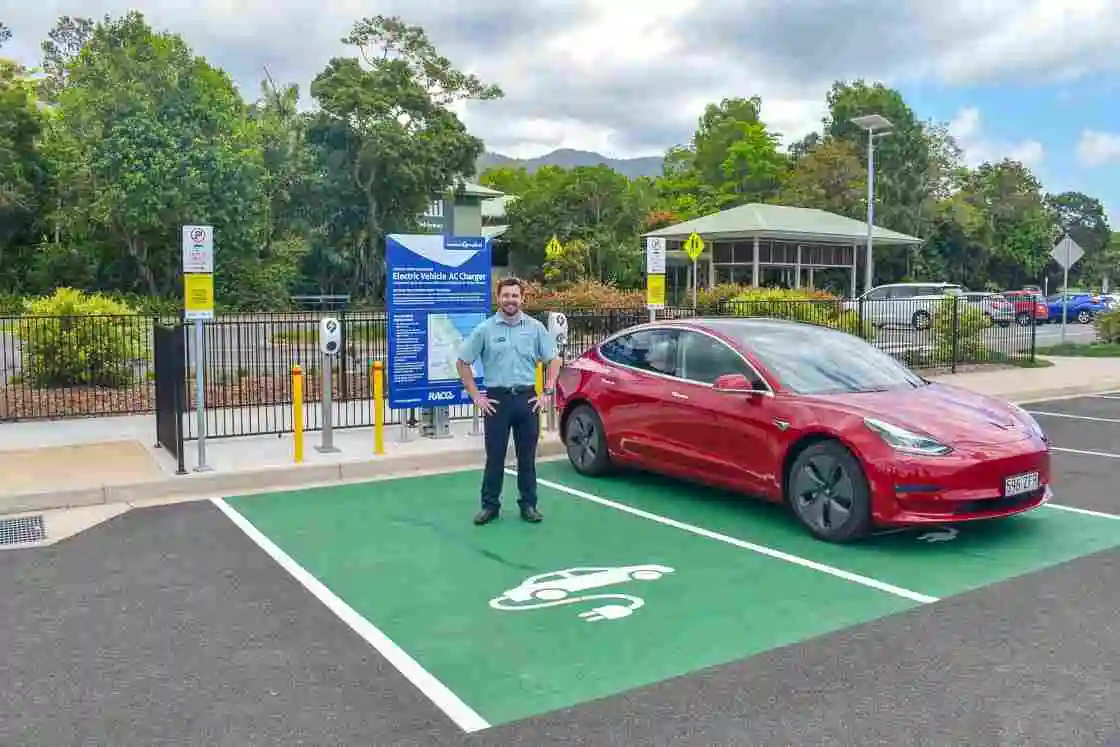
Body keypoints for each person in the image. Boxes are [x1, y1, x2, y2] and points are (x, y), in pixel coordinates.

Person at [456, 277, 560, 525]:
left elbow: (554, 360)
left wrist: (546, 392)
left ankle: (529, 505)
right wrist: (476, 397)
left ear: (521, 298)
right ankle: (490, 506)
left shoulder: (535, 328)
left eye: (515, 296)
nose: (510, 300)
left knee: (527, 458)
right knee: (495, 457)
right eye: (506, 295)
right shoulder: (485, 329)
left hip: (526, 399)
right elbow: (462, 362)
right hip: (497, 401)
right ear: (498, 298)